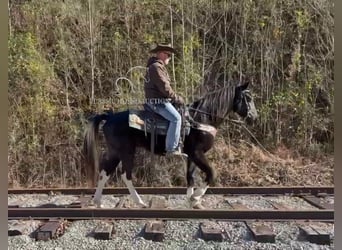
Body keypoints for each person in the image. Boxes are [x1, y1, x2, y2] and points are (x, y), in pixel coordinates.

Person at [144, 43, 187, 157]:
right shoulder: (156, 67)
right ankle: (171, 149)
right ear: (162, 54)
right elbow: (165, 88)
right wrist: (177, 98)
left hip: (158, 100)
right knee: (176, 119)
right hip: (158, 102)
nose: (170, 57)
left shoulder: (155, 66)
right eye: (168, 55)